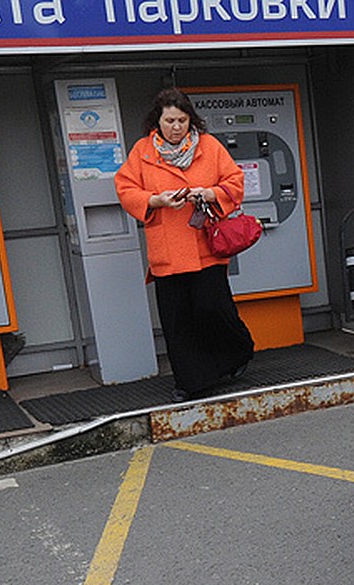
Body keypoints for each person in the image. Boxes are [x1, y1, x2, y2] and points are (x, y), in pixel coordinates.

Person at [115, 87, 254, 403]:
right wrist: (155, 200)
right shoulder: (142, 151)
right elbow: (125, 188)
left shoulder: (209, 146)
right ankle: (190, 382)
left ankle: (237, 352)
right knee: (177, 320)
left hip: (205, 245)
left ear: (190, 120)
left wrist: (207, 193)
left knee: (212, 308)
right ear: (158, 121)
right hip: (167, 250)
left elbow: (234, 182)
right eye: (169, 120)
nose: (176, 127)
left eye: (181, 120)